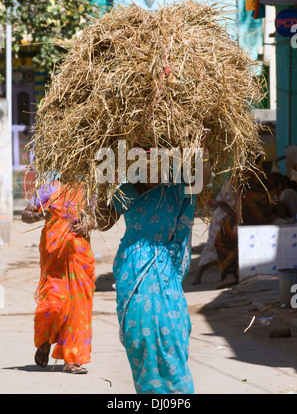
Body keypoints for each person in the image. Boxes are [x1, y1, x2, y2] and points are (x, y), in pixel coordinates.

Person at [95, 130, 211, 394]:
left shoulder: (176, 187)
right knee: (140, 338)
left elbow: (201, 183)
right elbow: (103, 222)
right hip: (131, 270)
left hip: (164, 271)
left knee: (171, 334)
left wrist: (202, 148)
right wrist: (101, 184)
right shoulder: (128, 189)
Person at [22, 179, 96, 374]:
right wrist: (40, 215)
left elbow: (100, 218)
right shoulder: (49, 187)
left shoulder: (89, 187)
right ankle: (45, 342)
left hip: (79, 256)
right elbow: (26, 215)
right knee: (53, 304)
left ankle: (73, 360)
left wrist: (88, 224)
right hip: (54, 258)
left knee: (78, 308)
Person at [214, 166, 272, 289]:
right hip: (260, 218)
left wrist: (239, 221)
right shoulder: (260, 176)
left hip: (246, 218)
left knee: (221, 240)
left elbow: (239, 197)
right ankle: (237, 273)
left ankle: (230, 274)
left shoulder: (242, 177)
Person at [192, 180, 236, 285]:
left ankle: (230, 274)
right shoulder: (229, 184)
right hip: (222, 219)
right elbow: (219, 202)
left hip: (231, 219)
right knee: (212, 246)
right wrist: (230, 213)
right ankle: (198, 276)